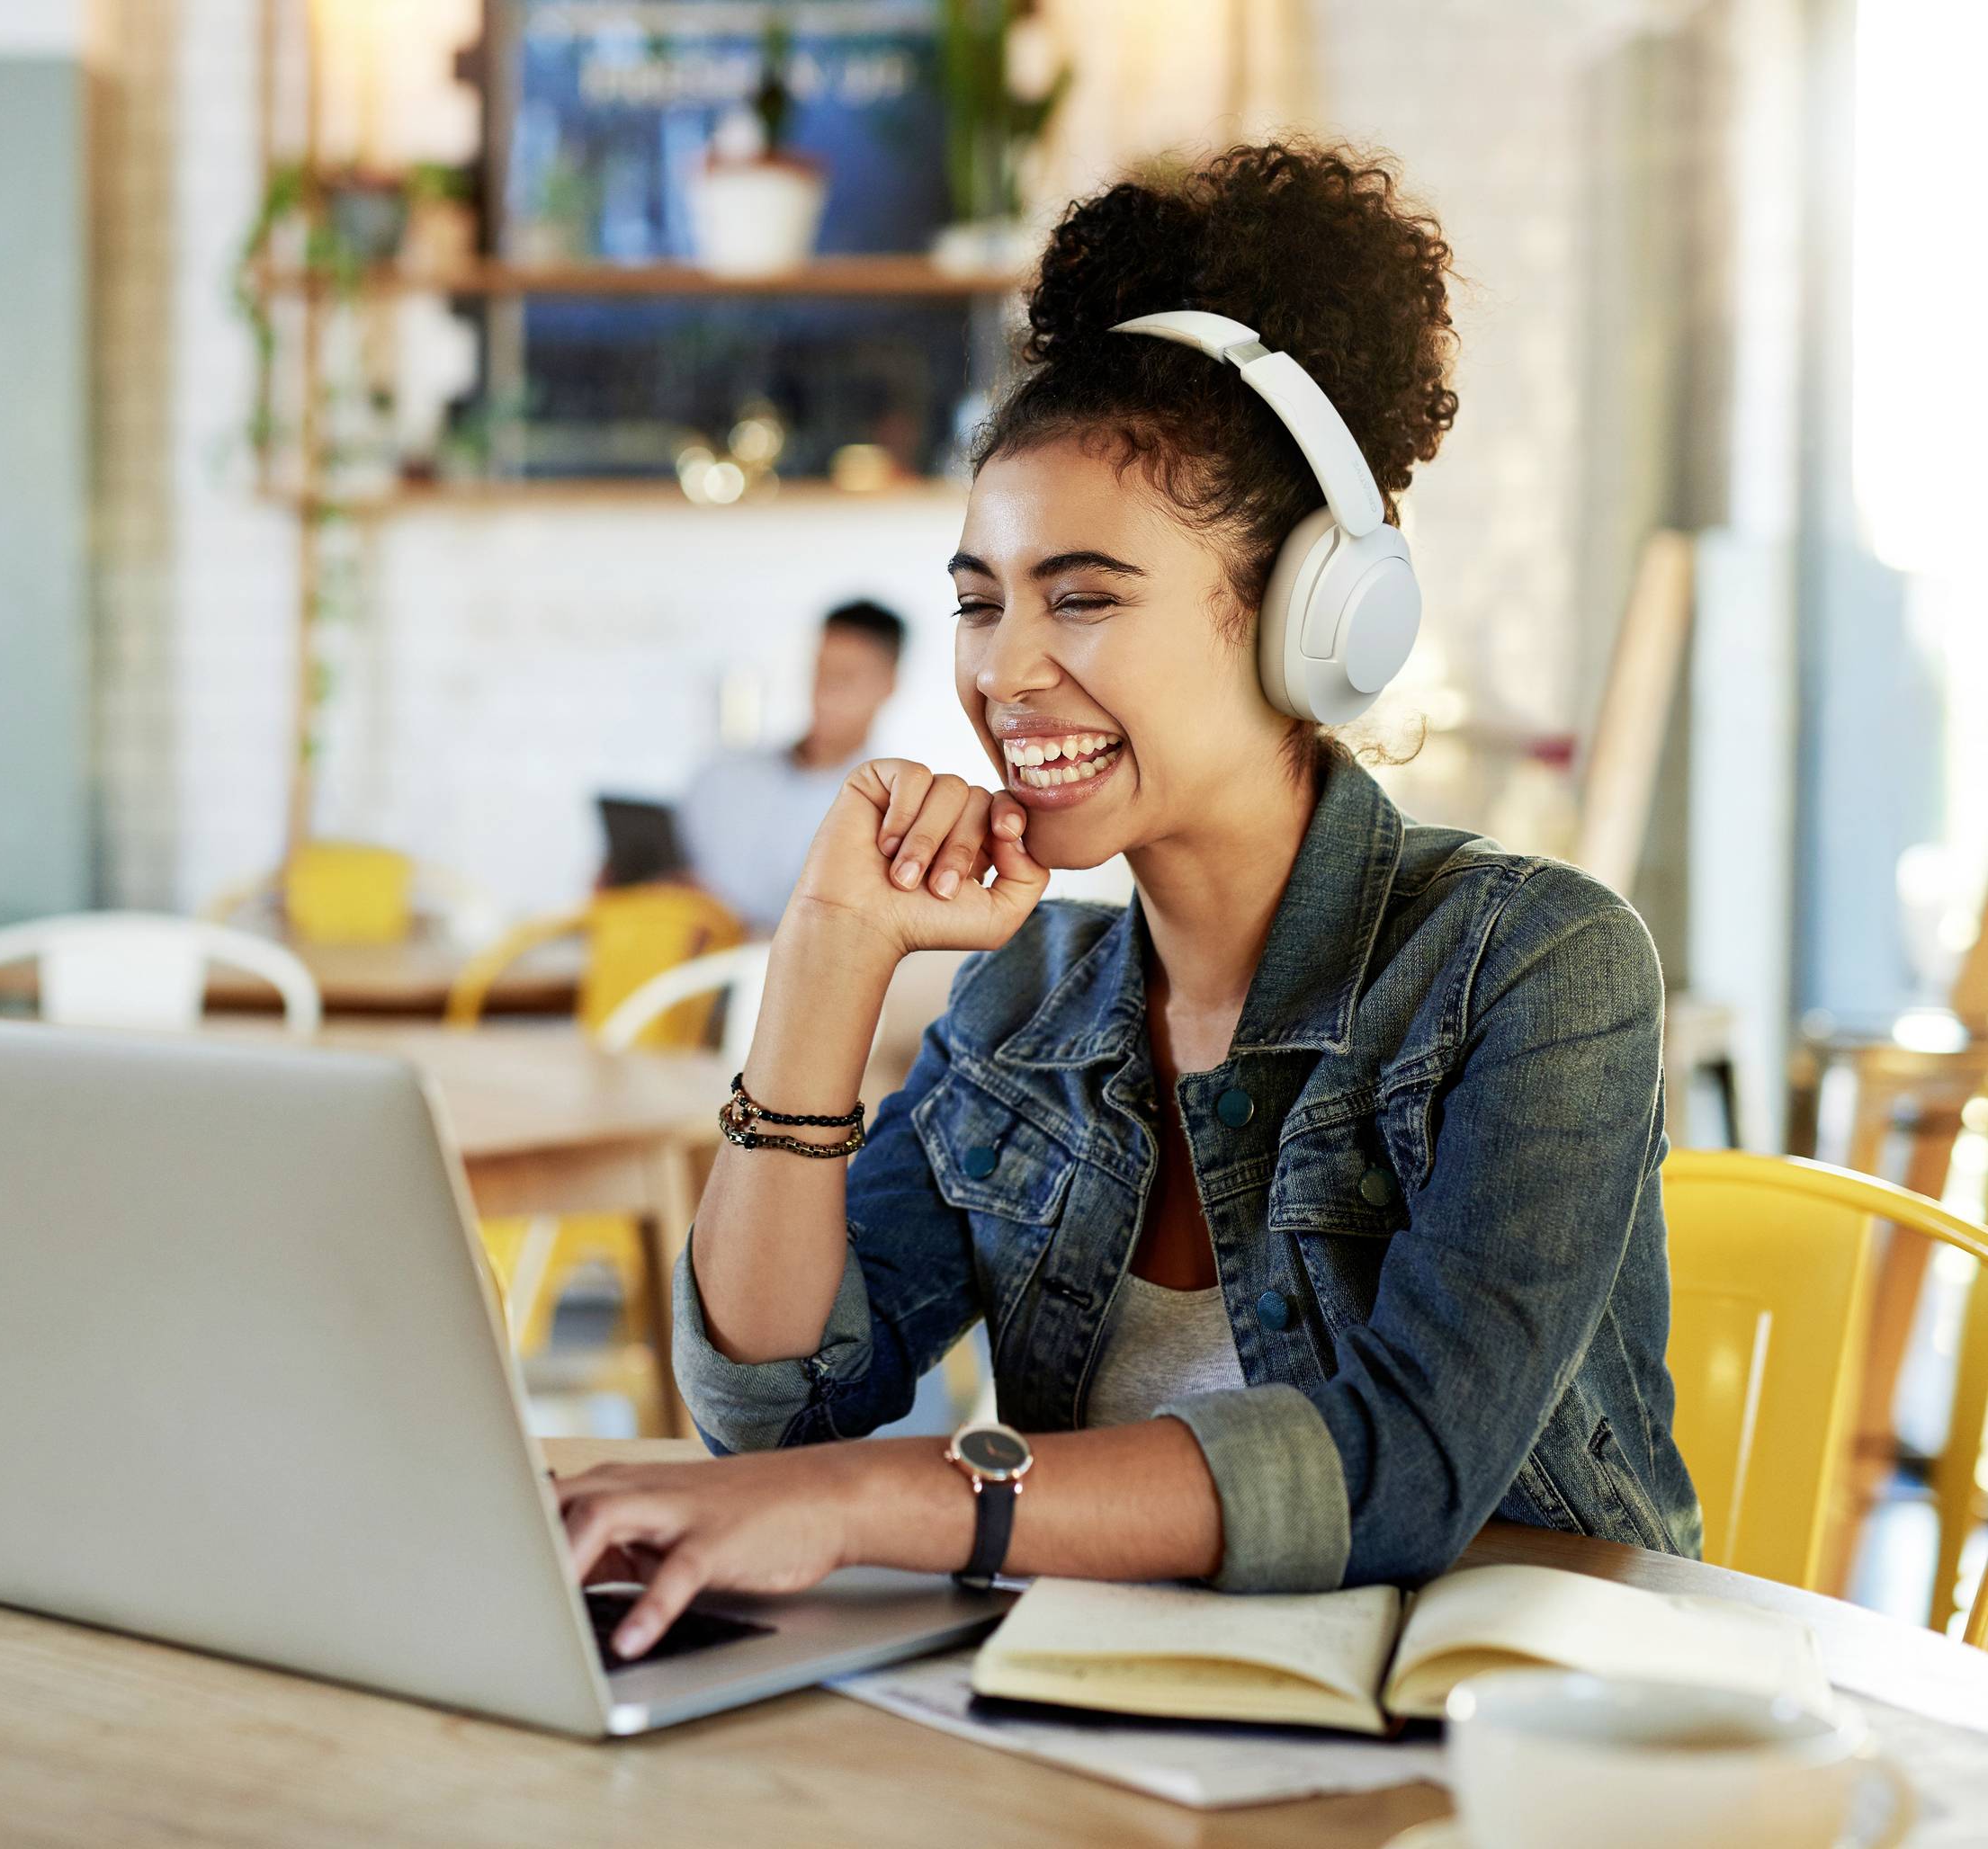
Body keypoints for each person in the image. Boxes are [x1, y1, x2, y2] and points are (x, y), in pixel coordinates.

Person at [557, 142, 1698, 1662]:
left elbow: (1404, 1466)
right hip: (1126, 1718)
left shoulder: (1532, 968)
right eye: (980, 600)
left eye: (1082, 594)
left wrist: (885, 1497)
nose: (1003, 670)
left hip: (1504, 1744)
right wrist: (826, 958)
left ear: (1309, 618)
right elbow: (773, 1405)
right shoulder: (1030, 1005)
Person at [676, 601, 907, 932]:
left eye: (845, 678)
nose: (825, 692)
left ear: (889, 686)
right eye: (820, 672)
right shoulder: (720, 775)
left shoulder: (888, 812)